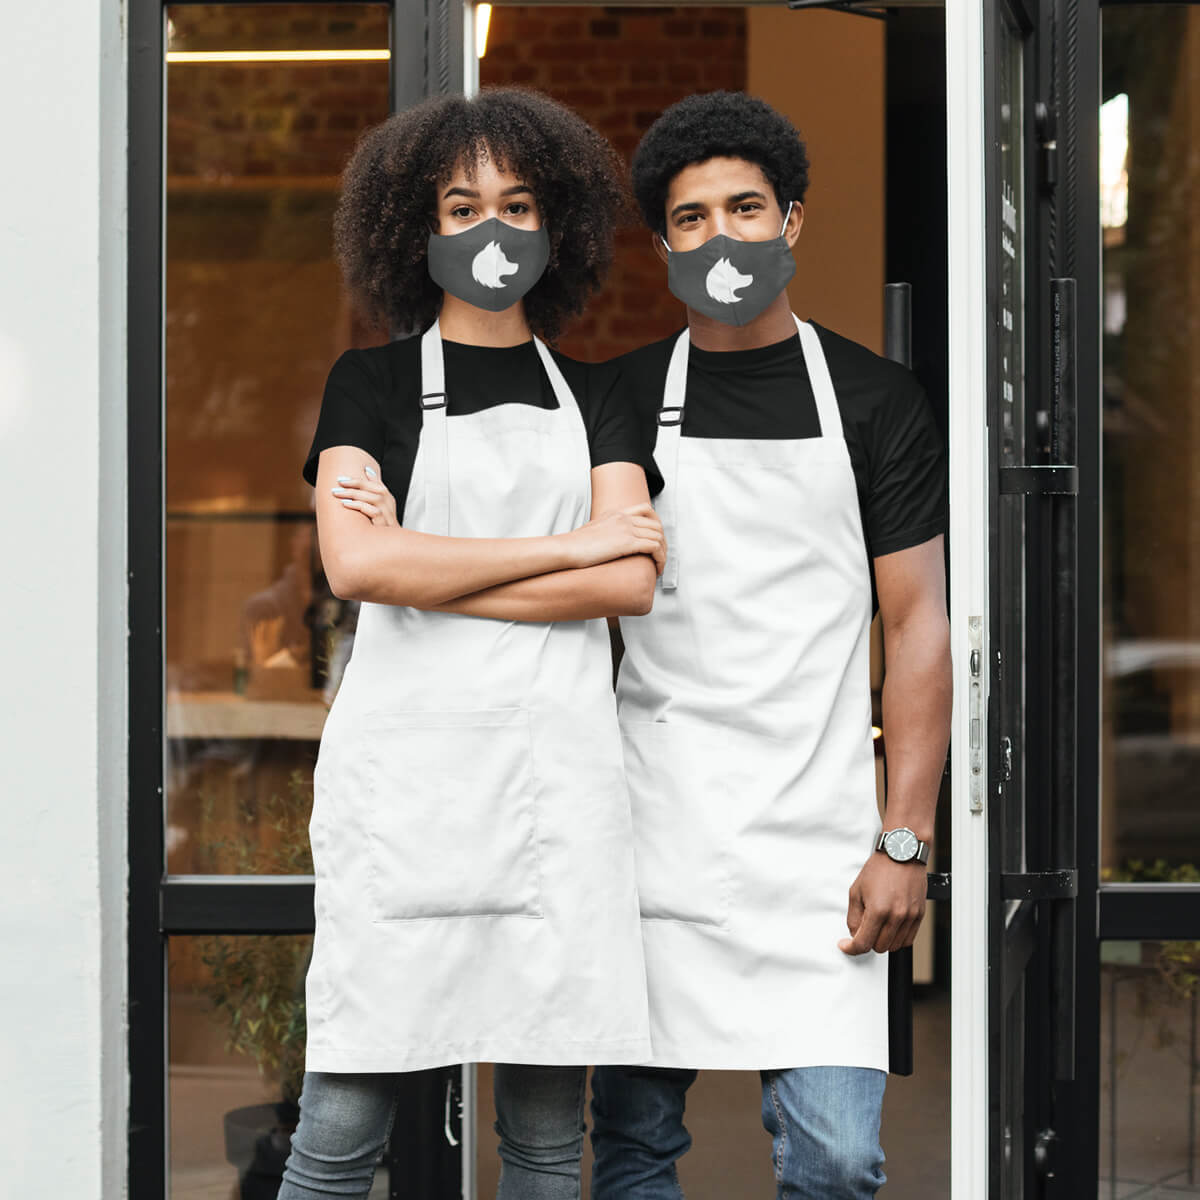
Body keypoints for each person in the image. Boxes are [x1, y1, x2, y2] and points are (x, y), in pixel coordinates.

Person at [282, 88, 664, 1200]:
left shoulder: (599, 394)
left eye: (518, 204)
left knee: (547, 1145)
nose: (492, 230)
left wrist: (435, 568)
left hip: (557, 800)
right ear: (422, 232)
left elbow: (631, 581)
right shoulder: (371, 383)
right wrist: (568, 548)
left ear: (557, 232)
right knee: (339, 1131)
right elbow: (358, 570)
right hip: (407, 804)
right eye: (462, 207)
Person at [589, 91, 953, 1199]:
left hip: (818, 846)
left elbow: (918, 625)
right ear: (665, 248)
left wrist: (906, 840)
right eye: (692, 220)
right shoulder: (623, 397)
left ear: (790, 223)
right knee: (634, 1151)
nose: (723, 237)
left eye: (745, 209)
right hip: (651, 832)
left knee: (840, 1163)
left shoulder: (876, 399)